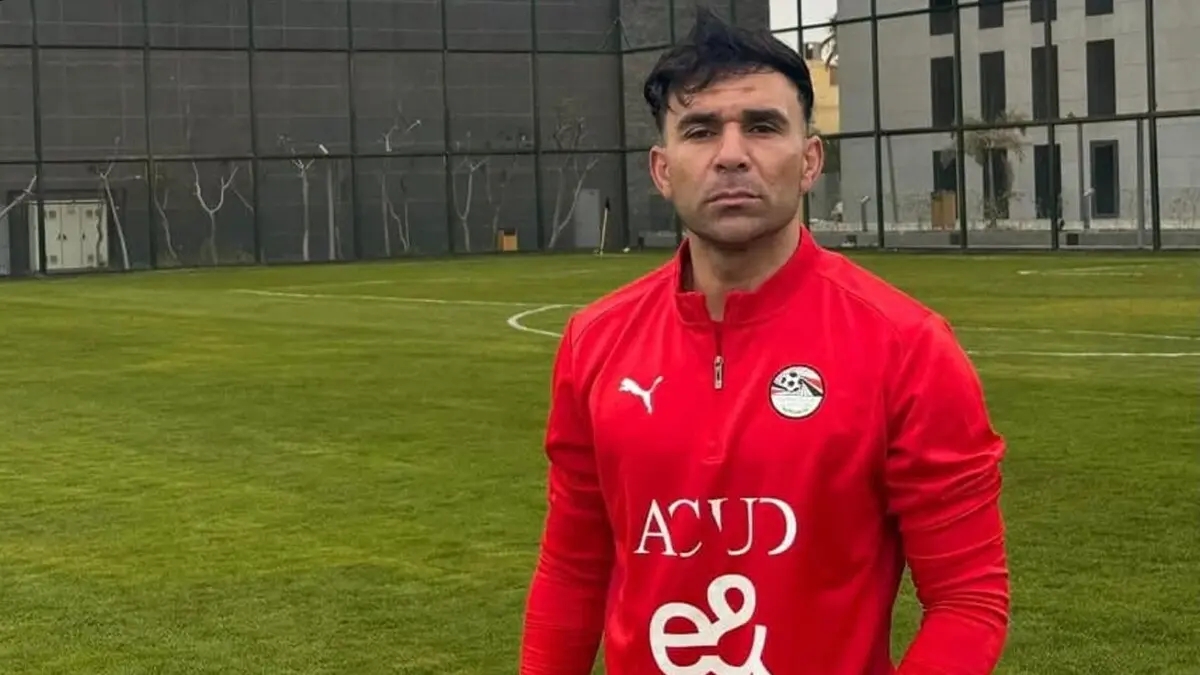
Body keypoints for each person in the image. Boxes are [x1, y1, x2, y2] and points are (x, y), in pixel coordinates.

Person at [519, 9, 1010, 675]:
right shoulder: (595, 342)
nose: (731, 154)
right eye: (700, 130)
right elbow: (573, 571)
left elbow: (967, 597)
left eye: (762, 126)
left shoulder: (907, 347)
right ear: (662, 170)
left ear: (810, 161)